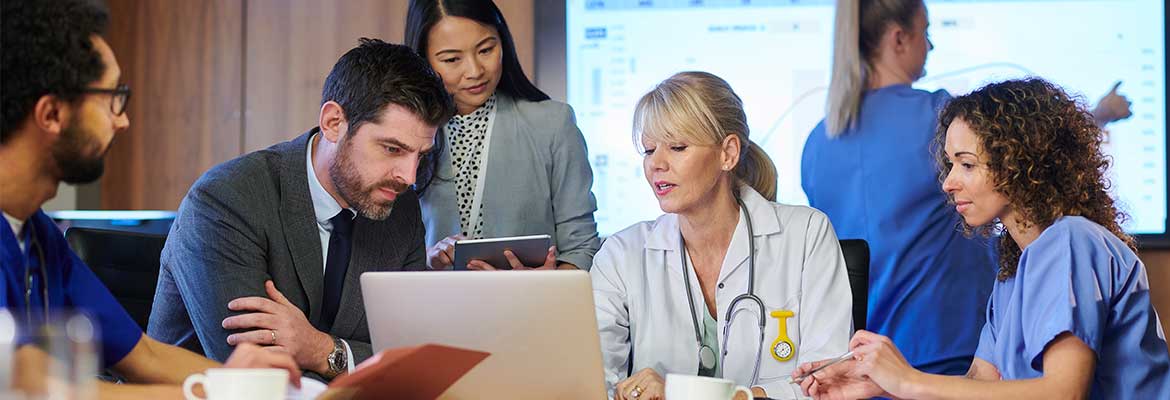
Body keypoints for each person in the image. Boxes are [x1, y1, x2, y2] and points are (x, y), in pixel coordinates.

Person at [800, 0, 1135, 376]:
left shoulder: (817, 143)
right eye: (926, 33)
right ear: (899, 39)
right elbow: (1030, 148)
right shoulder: (939, 117)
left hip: (866, 356)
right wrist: (1100, 114)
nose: (930, 45)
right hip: (947, 349)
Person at [795, 78, 1170, 400]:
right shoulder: (1013, 272)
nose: (948, 182)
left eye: (967, 164)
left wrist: (909, 380)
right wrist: (883, 384)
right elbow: (979, 385)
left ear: (1018, 164)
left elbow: (1062, 392)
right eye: (950, 164)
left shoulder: (1072, 240)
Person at [0, 0, 299, 397]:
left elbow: (144, 355)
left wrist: (252, 386)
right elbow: (36, 388)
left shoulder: (37, 235)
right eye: (112, 98)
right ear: (51, 114)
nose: (122, 119)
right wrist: (217, 391)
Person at [147, 39, 455, 381]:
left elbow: (411, 355)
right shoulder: (227, 200)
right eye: (392, 149)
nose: (408, 176)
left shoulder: (400, 207)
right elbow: (257, 376)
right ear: (334, 123)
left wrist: (322, 350)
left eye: (420, 155)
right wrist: (364, 358)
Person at [591, 72, 853, 400]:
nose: (656, 164)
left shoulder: (807, 234)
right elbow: (590, 378)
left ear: (727, 153)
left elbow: (826, 382)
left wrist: (685, 395)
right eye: (648, 150)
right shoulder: (620, 255)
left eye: (677, 147)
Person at [405, 0, 600, 270]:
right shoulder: (405, 134)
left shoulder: (553, 124)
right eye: (452, 59)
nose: (475, 71)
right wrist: (426, 260)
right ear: (423, 60)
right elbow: (384, 253)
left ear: (503, 42)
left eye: (486, 49)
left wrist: (549, 281)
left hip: (530, 298)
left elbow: (582, 248)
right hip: (434, 297)